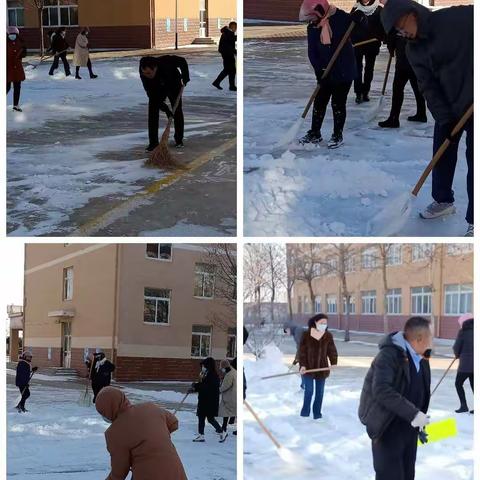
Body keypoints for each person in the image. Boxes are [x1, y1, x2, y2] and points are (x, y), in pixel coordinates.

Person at [381, 0, 473, 237]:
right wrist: (445, 118)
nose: (403, 33)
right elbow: (427, 87)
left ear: (412, 13)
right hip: (450, 107)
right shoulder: (414, 50)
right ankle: (443, 200)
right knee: (441, 152)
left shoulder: (454, 19)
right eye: (398, 32)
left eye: (402, 26)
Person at [358, 316, 432, 480]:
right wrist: (414, 414)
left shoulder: (422, 358)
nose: (432, 341)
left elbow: (417, 393)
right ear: (419, 338)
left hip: (408, 429)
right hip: (387, 428)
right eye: (430, 337)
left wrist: (419, 423)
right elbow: (382, 390)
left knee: (407, 475)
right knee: (390, 476)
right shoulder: (389, 355)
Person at [299, 0, 362, 149]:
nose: (310, 21)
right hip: (324, 72)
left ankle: (337, 135)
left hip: (343, 71)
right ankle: (315, 133)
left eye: (312, 18)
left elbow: (361, 30)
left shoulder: (340, 18)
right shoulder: (313, 27)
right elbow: (312, 53)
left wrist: (361, 19)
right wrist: (319, 72)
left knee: (338, 103)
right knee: (319, 101)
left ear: (320, 12)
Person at [95, 387, 187, 480]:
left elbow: (119, 473)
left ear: (107, 410)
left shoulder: (113, 433)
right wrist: (158, 435)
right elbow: (174, 423)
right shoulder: (150, 407)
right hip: (176, 473)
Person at [139, 55, 190, 152]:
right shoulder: (143, 70)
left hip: (173, 83)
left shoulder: (166, 62)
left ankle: (179, 139)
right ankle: (153, 143)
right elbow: (151, 93)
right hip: (156, 87)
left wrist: (185, 75)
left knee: (177, 110)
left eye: (149, 73)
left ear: (155, 68)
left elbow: (182, 60)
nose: (147, 75)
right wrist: (165, 109)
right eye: (145, 73)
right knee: (153, 110)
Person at [378, 31, 426, 128]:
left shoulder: (397, 24)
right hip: (415, 61)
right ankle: (421, 113)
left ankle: (394, 119)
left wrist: (391, 47)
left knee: (397, 89)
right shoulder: (415, 21)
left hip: (404, 60)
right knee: (417, 88)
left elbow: (390, 37)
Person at [297, 313, 338, 419]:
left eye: (325, 323)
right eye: (321, 323)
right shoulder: (306, 335)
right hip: (308, 368)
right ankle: (305, 414)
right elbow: (301, 352)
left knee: (319, 393)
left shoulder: (328, 336)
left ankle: (317, 414)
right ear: (315, 322)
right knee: (309, 391)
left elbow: (332, 350)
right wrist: (303, 366)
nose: (324, 324)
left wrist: (333, 362)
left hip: (322, 368)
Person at [350, 0, 384, 104]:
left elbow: (383, 26)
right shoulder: (356, 9)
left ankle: (365, 92)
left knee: (369, 69)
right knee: (357, 69)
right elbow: (350, 27)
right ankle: (358, 93)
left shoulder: (378, 9)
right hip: (358, 44)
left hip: (372, 44)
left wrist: (381, 36)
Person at [189, 357, 223, 442]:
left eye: (204, 365)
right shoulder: (206, 374)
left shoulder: (213, 375)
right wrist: (194, 388)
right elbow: (203, 385)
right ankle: (201, 435)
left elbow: (206, 387)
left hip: (209, 402)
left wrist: (196, 386)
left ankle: (221, 431)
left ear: (208, 366)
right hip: (204, 400)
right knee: (201, 417)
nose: (202, 367)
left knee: (210, 419)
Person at [453, 313, 474, 414]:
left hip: (465, 365)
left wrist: (457, 354)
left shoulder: (463, 332)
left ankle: (464, 405)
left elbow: (457, 347)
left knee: (458, 383)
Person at [213, 21, 237, 91]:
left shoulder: (228, 32)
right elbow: (230, 40)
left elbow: (230, 43)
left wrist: (234, 51)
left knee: (230, 70)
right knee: (230, 70)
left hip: (228, 53)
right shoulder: (227, 33)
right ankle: (230, 86)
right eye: (235, 27)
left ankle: (230, 86)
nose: (236, 29)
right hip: (227, 54)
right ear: (232, 27)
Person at [7, 26, 27, 112]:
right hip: (7, 68)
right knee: (6, 87)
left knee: (17, 87)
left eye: (14, 34)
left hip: (17, 69)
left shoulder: (20, 43)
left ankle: (16, 105)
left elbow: (23, 53)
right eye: (10, 34)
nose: (12, 36)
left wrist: (23, 53)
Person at [283, 321, 308, 389]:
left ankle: (304, 386)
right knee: (303, 369)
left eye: (286, 331)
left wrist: (298, 358)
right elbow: (299, 347)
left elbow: (301, 346)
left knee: (303, 368)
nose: (286, 333)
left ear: (289, 328)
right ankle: (304, 386)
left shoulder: (297, 331)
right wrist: (297, 358)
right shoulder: (296, 332)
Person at [218, 359, 237, 442]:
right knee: (229, 414)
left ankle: (224, 430)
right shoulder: (234, 372)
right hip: (233, 396)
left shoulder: (229, 375)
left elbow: (225, 386)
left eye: (222, 368)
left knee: (226, 414)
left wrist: (218, 390)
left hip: (229, 397)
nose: (222, 370)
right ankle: (224, 429)